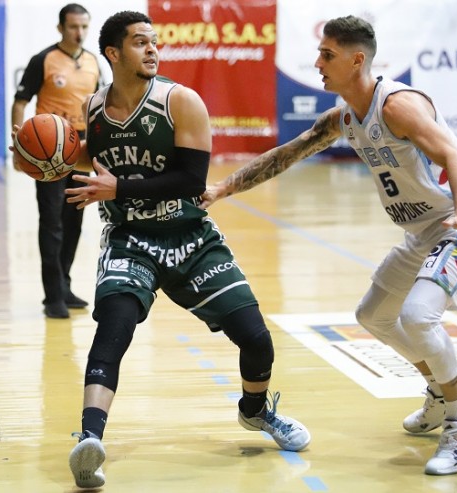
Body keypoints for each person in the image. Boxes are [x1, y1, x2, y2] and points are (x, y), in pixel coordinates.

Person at [200, 15, 457, 476]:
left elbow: (455, 155)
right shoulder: (344, 117)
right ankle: (441, 394)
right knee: (373, 315)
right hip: (424, 230)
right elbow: (288, 154)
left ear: (357, 59)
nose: (318, 64)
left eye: (328, 55)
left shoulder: (398, 106)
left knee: (418, 316)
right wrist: (223, 188)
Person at [60, 11, 310, 489]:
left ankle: (255, 411)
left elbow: (192, 180)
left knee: (256, 340)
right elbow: (82, 161)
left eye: (154, 41)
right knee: (113, 326)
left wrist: (120, 188)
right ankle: (89, 441)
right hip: (130, 239)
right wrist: (41, 157)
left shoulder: (180, 101)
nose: (153, 49)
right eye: (140, 42)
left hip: (190, 237)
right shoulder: (92, 109)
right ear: (113, 53)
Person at [11, 3, 101, 319]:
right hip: (48, 150)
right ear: (60, 28)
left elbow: (98, 108)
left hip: (81, 148)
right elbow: (20, 103)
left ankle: (64, 285)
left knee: (74, 220)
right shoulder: (43, 59)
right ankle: (52, 296)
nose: (79, 32)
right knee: (51, 222)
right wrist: (20, 148)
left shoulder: (93, 62)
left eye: (84, 27)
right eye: (73, 26)